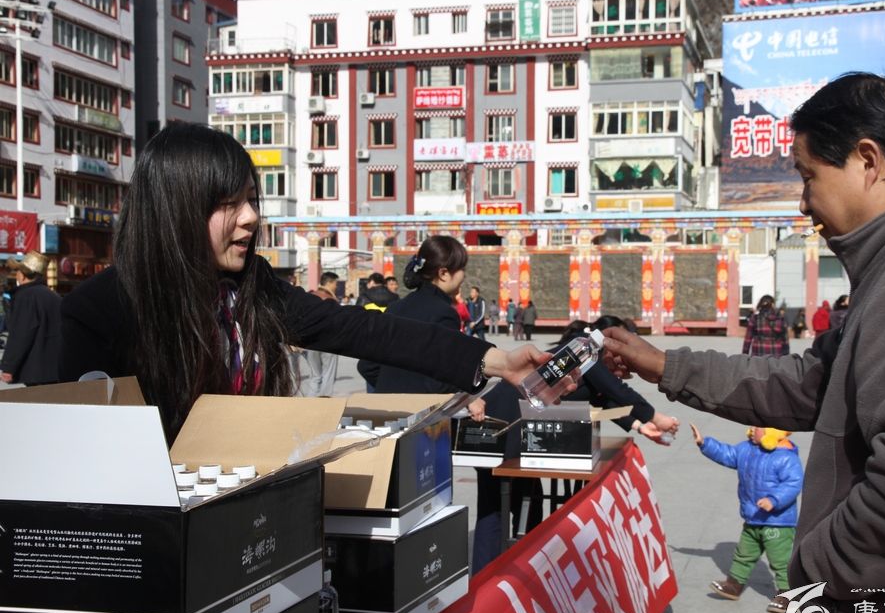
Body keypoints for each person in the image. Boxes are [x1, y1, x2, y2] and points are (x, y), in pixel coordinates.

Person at [600, 73, 885, 613]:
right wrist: (665, 365)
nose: (804, 202)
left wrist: (813, 567)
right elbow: (810, 384)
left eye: (808, 176)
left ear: (867, 161)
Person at [58, 124, 550, 443]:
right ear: (175, 208)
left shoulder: (252, 288)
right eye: (228, 204)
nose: (250, 218)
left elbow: (364, 331)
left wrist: (497, 360)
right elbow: (75, 449)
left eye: (251, 200)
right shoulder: (102, 311)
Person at [471, 316, 679, 572]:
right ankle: (484, 578)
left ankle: (522, 569)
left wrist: (640, 425)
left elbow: (604, 399)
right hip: (498, 424)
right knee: (493, 508)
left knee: (529, 501)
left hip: (520, 435)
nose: (625, 361)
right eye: (623, 351)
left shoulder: (586, 363)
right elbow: (615, 389)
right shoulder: (581, 350)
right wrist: (656, 417)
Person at [691, 423, 803, 613]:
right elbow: (728, 454)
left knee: (781, 559)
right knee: (743, 554)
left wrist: (774, 500)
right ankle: (733, 585)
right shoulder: (747, 449)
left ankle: (788, 594)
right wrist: (705, 443)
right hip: (753, 518)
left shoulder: (786, 457)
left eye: (756, 428)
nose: (750, 431)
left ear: (770, 432)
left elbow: (793, 483)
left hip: (778, 522)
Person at [371, 236, 473, 394]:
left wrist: (391, 388)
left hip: (386, 405)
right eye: (462, 269)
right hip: (422, 408)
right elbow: (442, 381)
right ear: (443, 273)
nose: (464, 276)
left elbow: (367, 366)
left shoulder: (394, 308)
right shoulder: (444, 314)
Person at [0, 251, 62, 386]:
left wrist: (9, 367)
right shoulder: (54, 296)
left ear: (22, 275)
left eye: (17, 271)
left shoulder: (26, 296)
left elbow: (22, 333)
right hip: (55, 368)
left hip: (36, 369)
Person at [302, 271, 340, 397]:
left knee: (315, 375)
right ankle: (325, 401)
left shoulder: (310, 296)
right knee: (328, 374)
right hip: (328, 341)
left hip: (311, 342)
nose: (336, 286)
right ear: (329, 283)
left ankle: (310, 401)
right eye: (335, 283)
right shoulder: (331, 300)